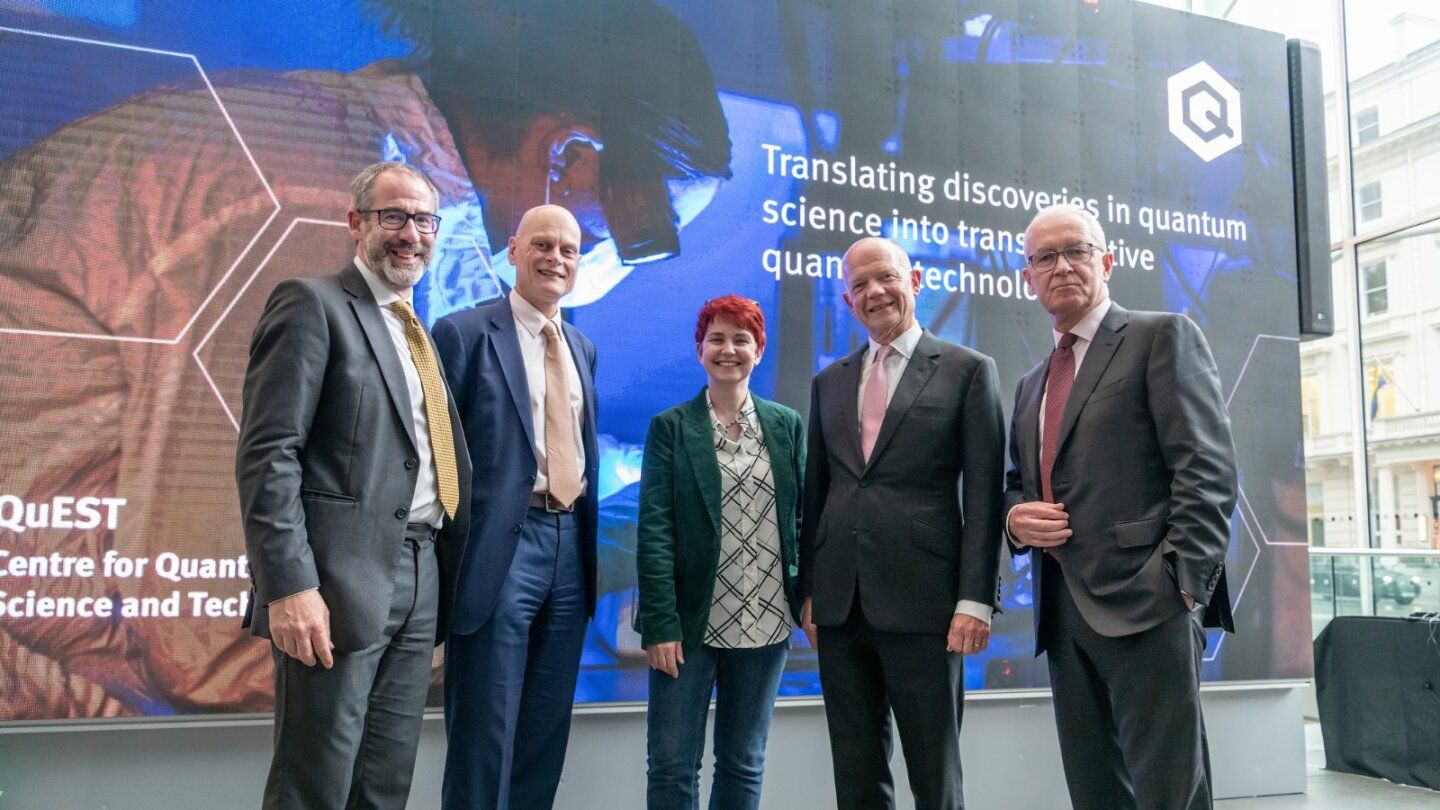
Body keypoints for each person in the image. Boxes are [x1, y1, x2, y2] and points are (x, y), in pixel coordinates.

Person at [0, 0, 730, 721]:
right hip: (69, 691)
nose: (600, 269)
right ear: (565, 152)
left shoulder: (422, 201)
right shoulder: (311, 209)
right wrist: (568, 565)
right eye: (633, 233)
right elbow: (215, 643)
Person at [234, 161, 472, 808]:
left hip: (423, 573)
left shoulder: (416, 326)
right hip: (337, 583)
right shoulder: (311, 304)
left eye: (423, 220)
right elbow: (268, 452)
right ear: (355, 223)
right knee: (316, 783)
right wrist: (289, 586)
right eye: (393, 216)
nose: (410, 234)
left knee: (384, 783)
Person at [1004, 205, 1238, 810]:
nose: (1061, 267)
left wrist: (1182, 584)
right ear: (1028, 278)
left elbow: (1206, 471)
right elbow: (1016, 482)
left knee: (1168, 790)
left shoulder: (1162, 336)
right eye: (1044, 258)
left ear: (1106, 261)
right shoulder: (1032, 383)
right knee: (1095, 788)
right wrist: (1014, 519)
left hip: (1148, 603)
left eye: (1076, 251)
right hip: (1062, 613)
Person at [798, 237, 1005, 809]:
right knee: (856, 775)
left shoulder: (968, 371)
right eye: (859, 285)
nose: (874, 292)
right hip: (841, 608)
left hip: (927, 607)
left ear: (914, 280)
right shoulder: (829, 382)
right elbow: (819, 491)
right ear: (847, 300)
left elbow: (985, 497)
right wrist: (811, 590)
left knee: (934, 777)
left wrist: (975, 600)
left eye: (884, 277)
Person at [432, 205, 598, 810]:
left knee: (543, 738)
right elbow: (434, 455)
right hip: (500, 548)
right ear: (512, 251)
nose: (556, 258)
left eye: (569, 250)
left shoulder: (581, 345)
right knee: (484, 735)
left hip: (570, 546)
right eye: (543, 245)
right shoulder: (462, 333)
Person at [634, 295, 805, 810]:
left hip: (766, 622)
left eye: (741, 339)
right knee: (671, 768)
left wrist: (809, 596)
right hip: (688, 627)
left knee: (743, 764)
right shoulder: (671, 427)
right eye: (716, 338)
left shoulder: (786, 425)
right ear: (699, 349)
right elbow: (655, 529)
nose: (728, 349)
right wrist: (660, 624)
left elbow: (801, 520)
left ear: (759, 350)